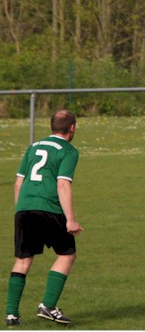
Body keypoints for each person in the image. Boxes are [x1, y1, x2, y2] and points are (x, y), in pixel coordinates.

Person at [5, 110, 83, 326]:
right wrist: (71, 219)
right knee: (67, 254)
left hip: (24, 209)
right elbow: (63, 184)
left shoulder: (33, 147)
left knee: (22, 261)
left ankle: (11, 314)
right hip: (49, 208)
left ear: (52, 126)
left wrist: (21, 211)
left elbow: (18, 182)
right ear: (72, 128)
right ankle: (47, 305)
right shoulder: (68, 150)